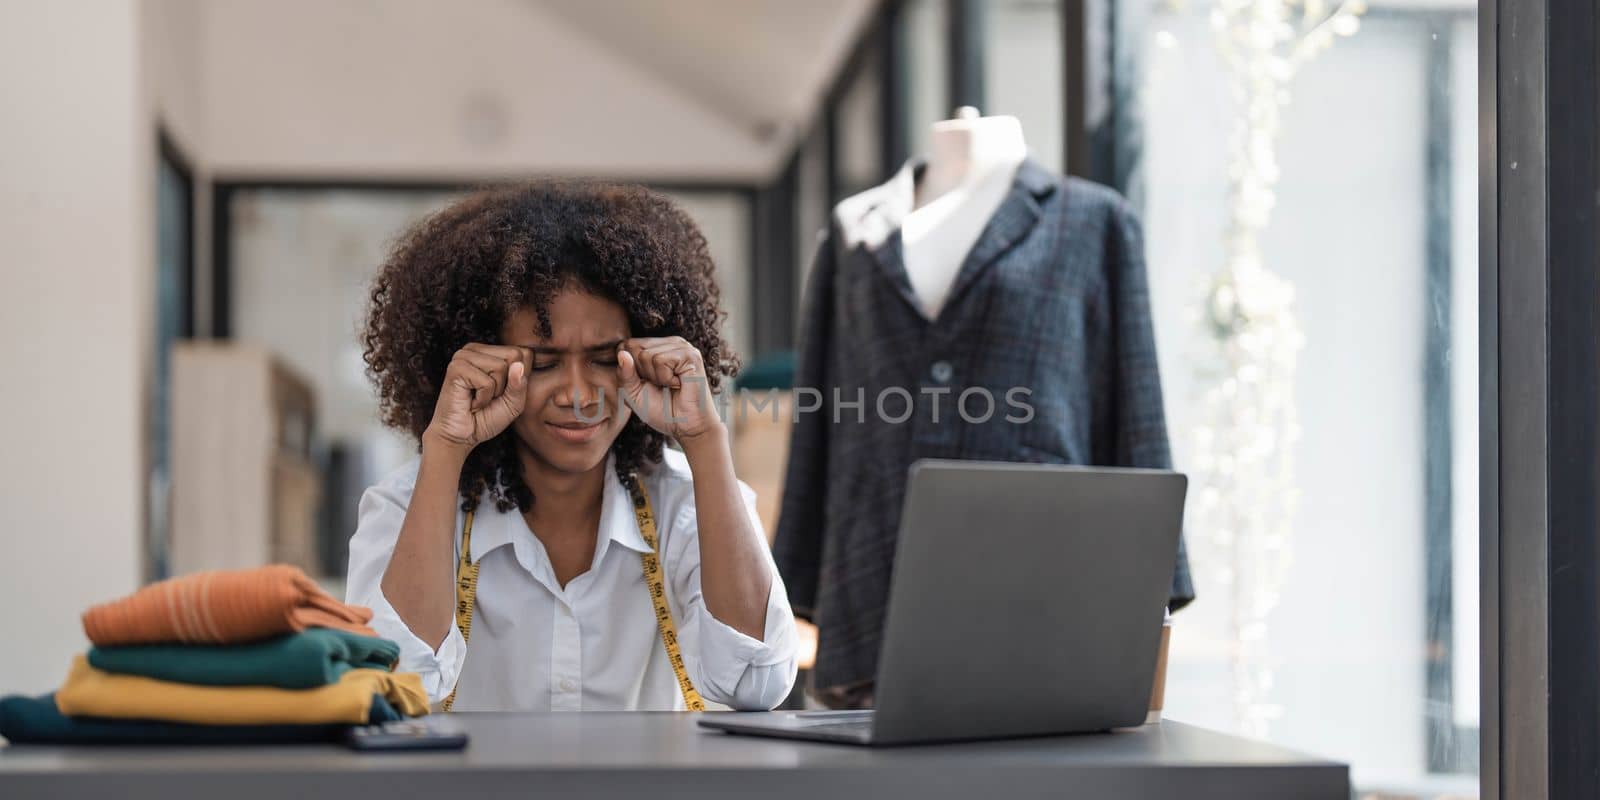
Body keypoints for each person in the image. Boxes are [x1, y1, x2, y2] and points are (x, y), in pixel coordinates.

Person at [346, 181, 798, 711]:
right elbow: (396, 690)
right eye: (542, 362)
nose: (579, 395)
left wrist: (704, 439)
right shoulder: (405, 508)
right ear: (484, 362)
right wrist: (445, 447)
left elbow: (755, 684)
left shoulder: (689, 505)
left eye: (607, 359)